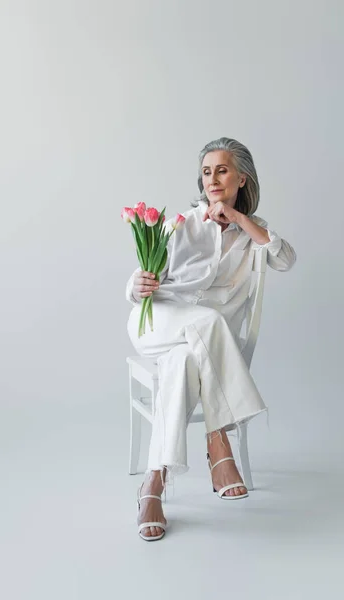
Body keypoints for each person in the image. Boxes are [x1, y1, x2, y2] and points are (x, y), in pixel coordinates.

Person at [126, 137, 296, 541]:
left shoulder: (251, 234)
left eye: (222, 170)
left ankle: (153, 484)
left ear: (242, 178)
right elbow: (136, 286)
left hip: (198, 347)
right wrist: (138, 283)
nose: (213, 179)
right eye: (207, 172)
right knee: (209, 321)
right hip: (155, 323)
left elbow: (286, 258)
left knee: (185, 360)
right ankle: (219, 440)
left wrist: (240, 221)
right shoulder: (180, 225)